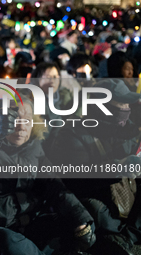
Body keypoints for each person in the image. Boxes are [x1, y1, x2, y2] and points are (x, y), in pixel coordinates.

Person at [0, 93, 96, 255]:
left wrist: (80, 221)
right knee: (13, 244)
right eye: (14, 120)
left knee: (79, 220)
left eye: (27, 120)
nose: (21, 127)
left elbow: (55, 186)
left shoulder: (34, 148)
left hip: (26, 224)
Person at [49, 79, 141, 254]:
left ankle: (128, 237)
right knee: (93, 208)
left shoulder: (124, 129)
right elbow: (79, 179)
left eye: (127, 103)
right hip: (97, 202)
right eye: (121, 102)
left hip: (124, 196)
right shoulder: (73, 133)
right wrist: (119, 167)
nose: (126, 108)